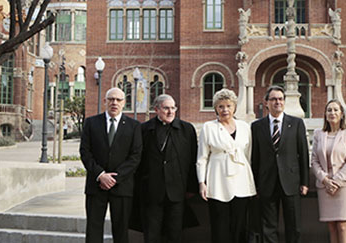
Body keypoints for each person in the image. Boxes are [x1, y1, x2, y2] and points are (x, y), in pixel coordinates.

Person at [80, 87, 142, 243]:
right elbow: (85, 152)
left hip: (122, 186)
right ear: (105, 101)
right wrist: (101, 175)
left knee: (121, 230)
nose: (114, 103)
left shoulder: (134, 126)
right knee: (94, 229)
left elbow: (135, 156)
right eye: (111, 99)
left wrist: (115, 178)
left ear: (124, 103)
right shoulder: (91, 123)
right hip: (96, 184)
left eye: (118, 100)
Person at [251, 86, 309, 243]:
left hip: (291, 182)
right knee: (268, 226)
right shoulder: (257, 126)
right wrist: (255, 184)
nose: (278, 102)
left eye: (280, 99)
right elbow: (255, 157)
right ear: (267, 103)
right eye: (274, 99)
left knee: (294, 225)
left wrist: (305, 182)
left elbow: (303, 154)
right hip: (266, 182)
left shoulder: (296, 123)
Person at [197, 89, 256, 243]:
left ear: (234, 107)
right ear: (216, 108)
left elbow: (248, 155)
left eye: (228, 106)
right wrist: (201, 183)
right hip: (218, 180)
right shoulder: (209, 127)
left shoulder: (244, 127)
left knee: (240, 223)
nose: (225, 110)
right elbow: (202, 158)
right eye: (221, 106)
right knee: (219, 224)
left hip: (241, 181)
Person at [137, 94, 197, 243]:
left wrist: (191, 188)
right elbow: (137, 160)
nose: (170, 112)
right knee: (151, 233)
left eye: (173, 108)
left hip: (177, 191)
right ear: (156, 109)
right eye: (166, 108)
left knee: (175, 233)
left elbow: (193, 160)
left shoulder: (187, 129)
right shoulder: (143, 129)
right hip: (151, 191)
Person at [311, 100, 346, 243]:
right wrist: (325, 180)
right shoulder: (318, 134)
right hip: (324, 185)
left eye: (336, 110)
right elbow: (314, 160)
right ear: (325, 114)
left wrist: (336, 182)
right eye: (329, 110)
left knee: (343, 226)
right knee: (331, 226)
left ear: (342, 114)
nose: (332, 113)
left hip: (343, 186)